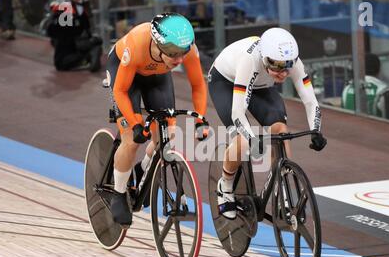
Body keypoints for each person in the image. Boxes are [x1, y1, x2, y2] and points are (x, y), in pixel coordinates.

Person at [208, 27, 327, 219]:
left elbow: (310, 100)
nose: (282, 73)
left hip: (260, 85)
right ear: (264, 58)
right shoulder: (250, 60)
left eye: (287, 66)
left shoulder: (293, 63)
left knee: (280, 130)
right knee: (244, 140)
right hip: (226, 82)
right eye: (276, 66)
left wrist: (316, 130)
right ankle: (226, 184)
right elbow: (238, 111)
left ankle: (284, 191)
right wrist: (252, 138)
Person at [107, 12, 208, 226]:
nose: (179, 59)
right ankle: (118, 193)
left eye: (183, 52)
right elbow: (120, 91)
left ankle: (142, 168)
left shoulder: (183, 49)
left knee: (167, 137)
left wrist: (200, 119)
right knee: (132, 140)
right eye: (173, 53)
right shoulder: (136, 44)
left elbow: (198, 85)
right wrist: (135, 125)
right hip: (126, 75)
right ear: (157, 44)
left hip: (156, 76)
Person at [47, 0, 102, 72]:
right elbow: (51, 30)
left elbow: (87, 28)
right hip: (68, 44)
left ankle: (90, 54)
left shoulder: (82, 9)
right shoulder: (65, 7)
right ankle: (89, 55)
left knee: (62, 63)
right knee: (61, 64)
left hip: (77, 42)